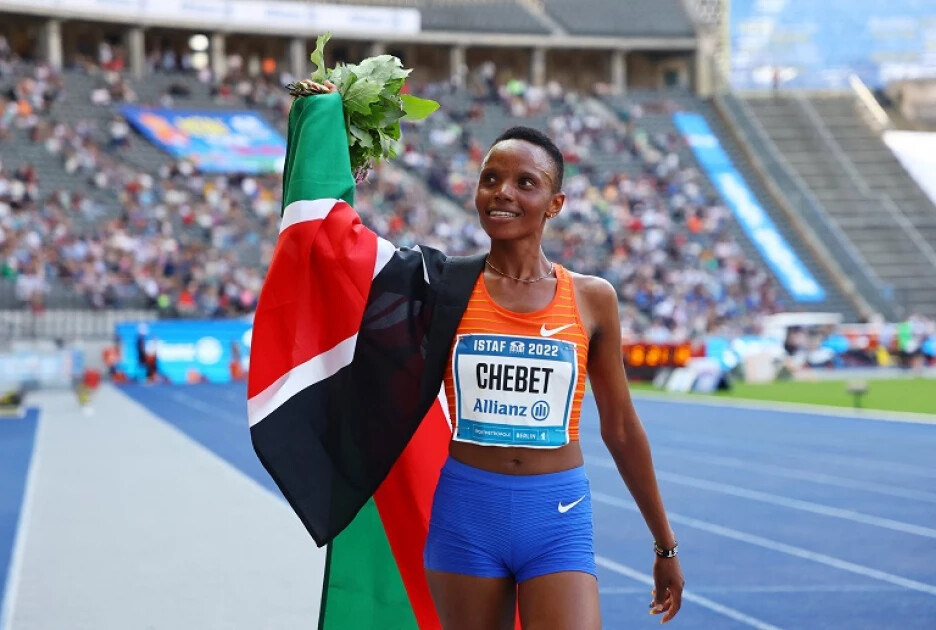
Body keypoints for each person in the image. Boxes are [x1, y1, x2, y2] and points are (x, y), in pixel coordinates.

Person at [250, 81, 684, 629]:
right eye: (490, 179)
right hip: (467, 515)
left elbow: (620, 428)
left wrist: (665, 545)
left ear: (555, 205)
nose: (502, 192)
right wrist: (323, 124)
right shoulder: (443, 286)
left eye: (525, 182)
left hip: (557, 515)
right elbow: (338, 250)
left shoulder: (592, 299)